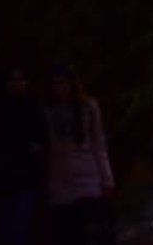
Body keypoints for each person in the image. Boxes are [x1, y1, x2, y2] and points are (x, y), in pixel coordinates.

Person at [44, 65, 115, 245]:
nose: (60, 88)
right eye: (56, 84)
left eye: (64, 83)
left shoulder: (87, 108)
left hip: (86, 178)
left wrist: (107, 180)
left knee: (83, 229)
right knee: (67, 232)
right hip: (60, 180)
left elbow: (99, 145)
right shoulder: (48, 111)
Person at [0, 67, 47, 245]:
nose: (16, 83)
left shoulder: (33, 108)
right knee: (5, 229)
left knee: (18, 228)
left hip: (26, 178)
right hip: (3, 179)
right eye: (12, 80)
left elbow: (41, 141)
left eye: (19, 79)